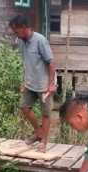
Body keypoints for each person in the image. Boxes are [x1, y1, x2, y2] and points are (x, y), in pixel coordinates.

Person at [9, 15, 56, 152]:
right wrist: (24, 81)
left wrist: (51, 84)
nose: (15, 34)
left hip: (44, 84)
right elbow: (26, 62)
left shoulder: (40, 40)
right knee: (24, 108)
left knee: (46, 114)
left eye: (16, 31)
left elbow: (51, 63)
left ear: (24, 28)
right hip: (30, 83)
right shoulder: (21, 42)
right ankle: (38, 132)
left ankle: (44, 142)